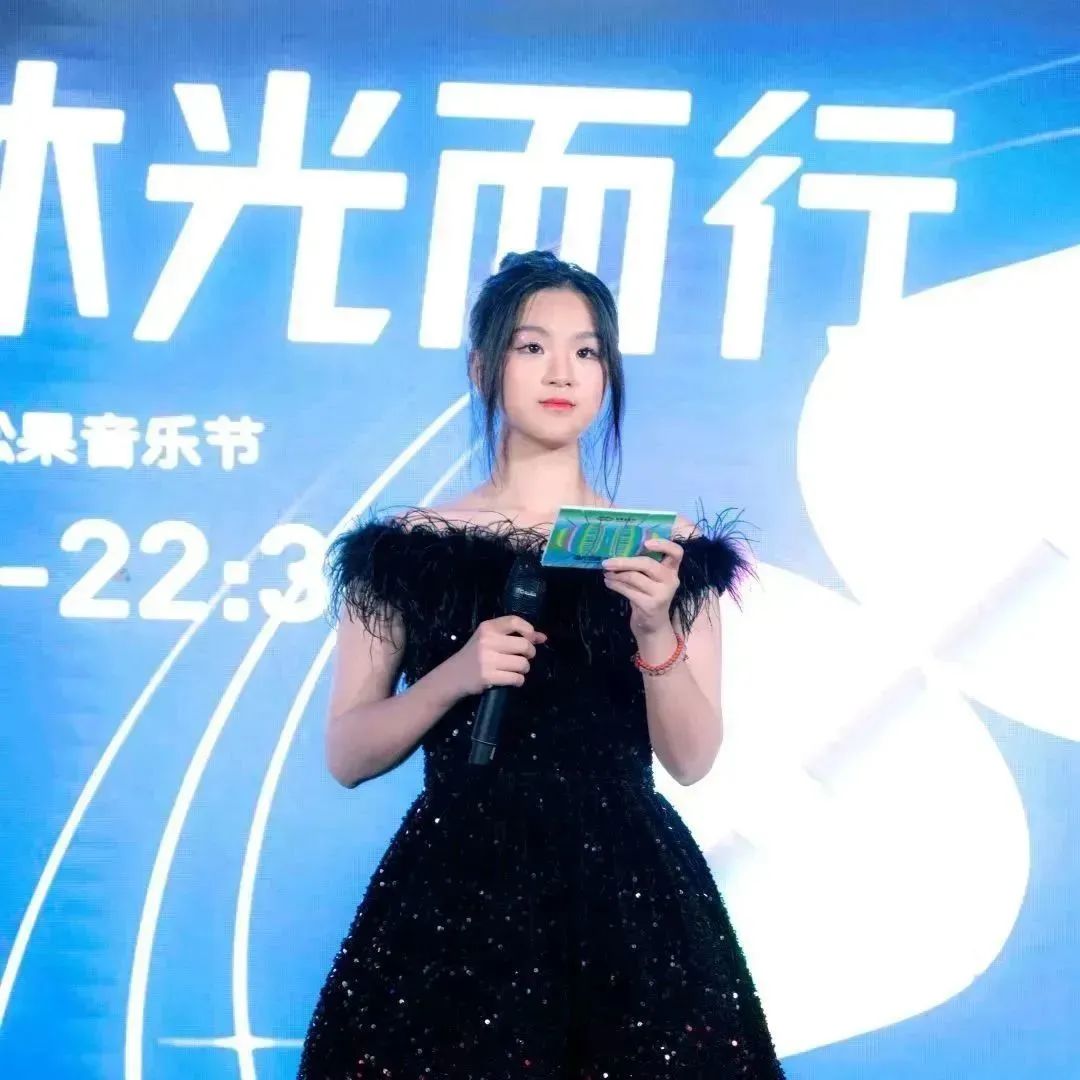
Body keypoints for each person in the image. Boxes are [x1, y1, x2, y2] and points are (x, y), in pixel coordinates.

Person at [297, 250, 786, 1078]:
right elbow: (347, 754)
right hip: (460, 889)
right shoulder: (406, 551)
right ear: (483, 367)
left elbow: (692, 759)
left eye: (587, 351)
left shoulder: (667, 551)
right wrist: (454, 677)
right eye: (532, 347)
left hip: (627, 894)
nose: (563, 372)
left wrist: (654, 627)